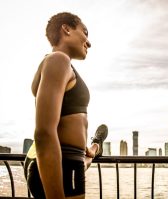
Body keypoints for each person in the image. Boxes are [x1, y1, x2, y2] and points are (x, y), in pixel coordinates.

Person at [24, 12, 108, 199]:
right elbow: (44, 133)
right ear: (66, 29)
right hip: (63, 161)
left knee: (86, 156)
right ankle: (94, 146)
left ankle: (94, 146)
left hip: (73, 158)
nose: (89, 42)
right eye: (85, 32)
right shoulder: (58, 60)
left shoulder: (59, 64)